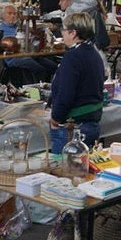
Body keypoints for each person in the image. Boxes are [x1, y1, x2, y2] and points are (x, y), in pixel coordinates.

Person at [47, 12, 106, 152]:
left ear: (73, 33)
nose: (62, 33)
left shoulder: (72, 57)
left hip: (73, 127)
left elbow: (65, 93)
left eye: (64, 30)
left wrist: (55, 118)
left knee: (64, 169)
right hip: (92, 122)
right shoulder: (94, 53)